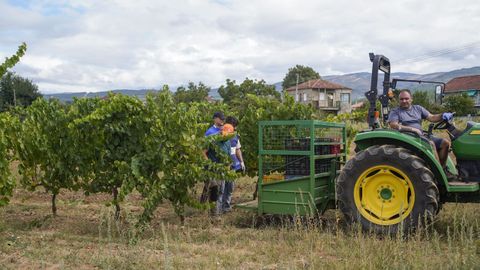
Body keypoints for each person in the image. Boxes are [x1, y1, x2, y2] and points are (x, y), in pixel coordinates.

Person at [387, 89, 454, 175]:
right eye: (402, 99)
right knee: (430, 144)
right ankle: (438, 174)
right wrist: (412, 129)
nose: (404, 101)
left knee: (445, 143)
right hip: (408, 137)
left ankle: (443, 169)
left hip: (420, 136)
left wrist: (443, 115)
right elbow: (394, 125)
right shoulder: (396, 111)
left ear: (411, 99)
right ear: (399, 100)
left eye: (406, 98)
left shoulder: (418, 108)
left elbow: (432, 117)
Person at [201, 111, 231, 215]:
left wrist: (228, 164)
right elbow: (203, 151)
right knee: (214, 190)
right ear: (215, 119)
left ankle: (217, 213)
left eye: (223, 118)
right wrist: (209, 164)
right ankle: (213, 214)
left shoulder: (226, 131)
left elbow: (227, 149)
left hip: (223, 167)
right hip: (213, 167)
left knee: (221, 190)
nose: (222, 120)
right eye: (220, 118)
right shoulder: (210, 132)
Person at [217, 116, 245, 213]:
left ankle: (226, 207)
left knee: (230, 187)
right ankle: (218, 209)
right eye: (235, 126)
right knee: (221, 188)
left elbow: (237, 149)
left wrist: (241, 162)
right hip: (222, 165)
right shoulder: (220, 135)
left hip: (232, 166)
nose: (235, 128)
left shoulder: (235, 136)